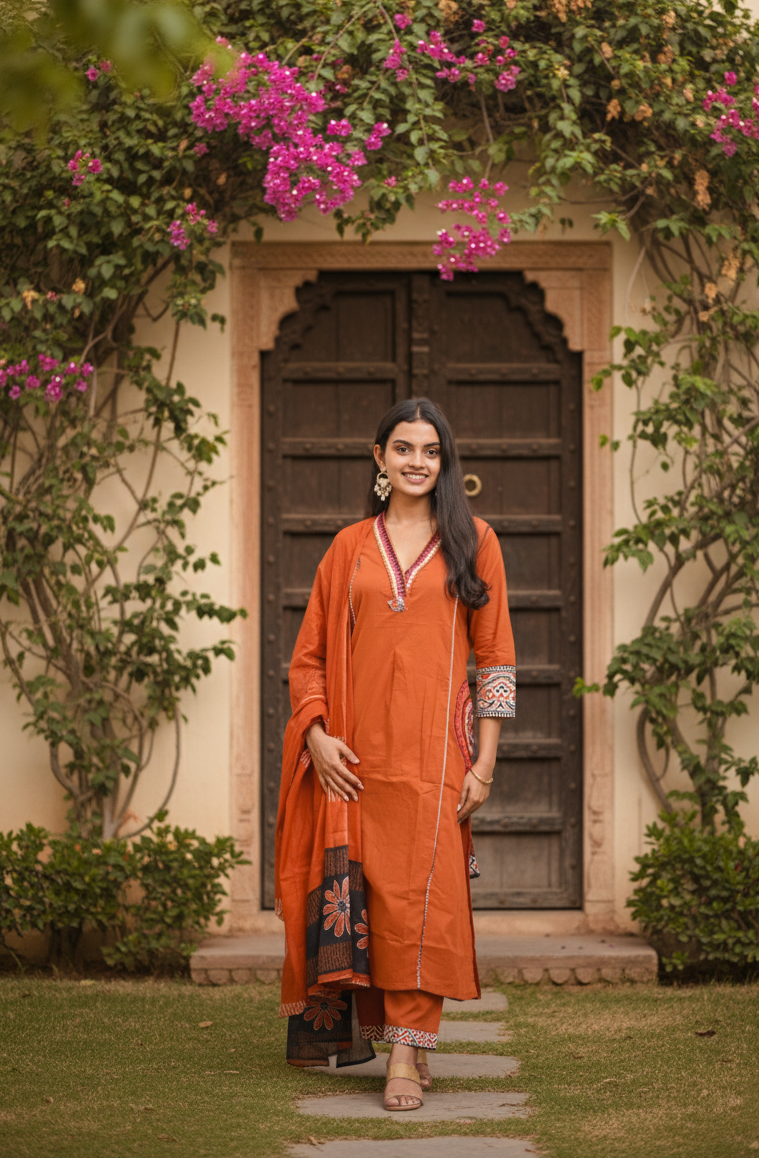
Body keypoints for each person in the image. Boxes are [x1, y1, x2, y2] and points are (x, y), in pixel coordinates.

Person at [274, 397, 516, 1111]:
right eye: (404, 448)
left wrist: (486, 763)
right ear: (379, 458)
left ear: (445, 461)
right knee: (372, 903)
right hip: (353, 762)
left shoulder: (476, 540)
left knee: (423, 904)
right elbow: (309, 656)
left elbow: (497, 659)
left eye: (431, 450)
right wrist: (316, 735)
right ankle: (397, 1037)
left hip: (437, 759)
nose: (417, 462)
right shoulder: (349, 546)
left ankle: (405, 1056)